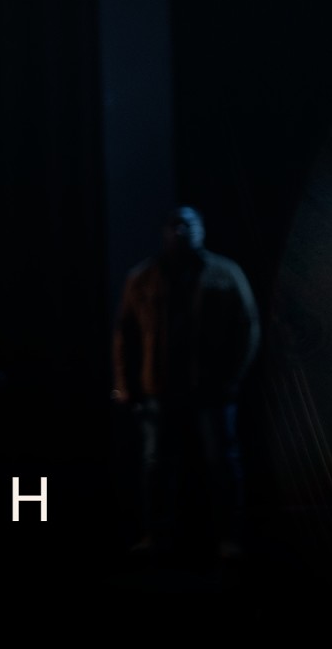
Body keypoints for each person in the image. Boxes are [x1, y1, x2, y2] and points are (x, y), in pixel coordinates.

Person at [111, 205, 260, 561]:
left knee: (221, 463)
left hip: (210, 388)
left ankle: (228, 538)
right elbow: (124, 334)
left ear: (202, 229)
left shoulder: (225, 273)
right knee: (156, 465)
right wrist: (124, 384)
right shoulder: (143, 277)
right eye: (175, 225)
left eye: (190, 224)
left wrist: (233, 377)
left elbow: (248, 325)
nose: (182, 231)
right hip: (159, 387)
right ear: (165, 231)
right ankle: (156, 537)